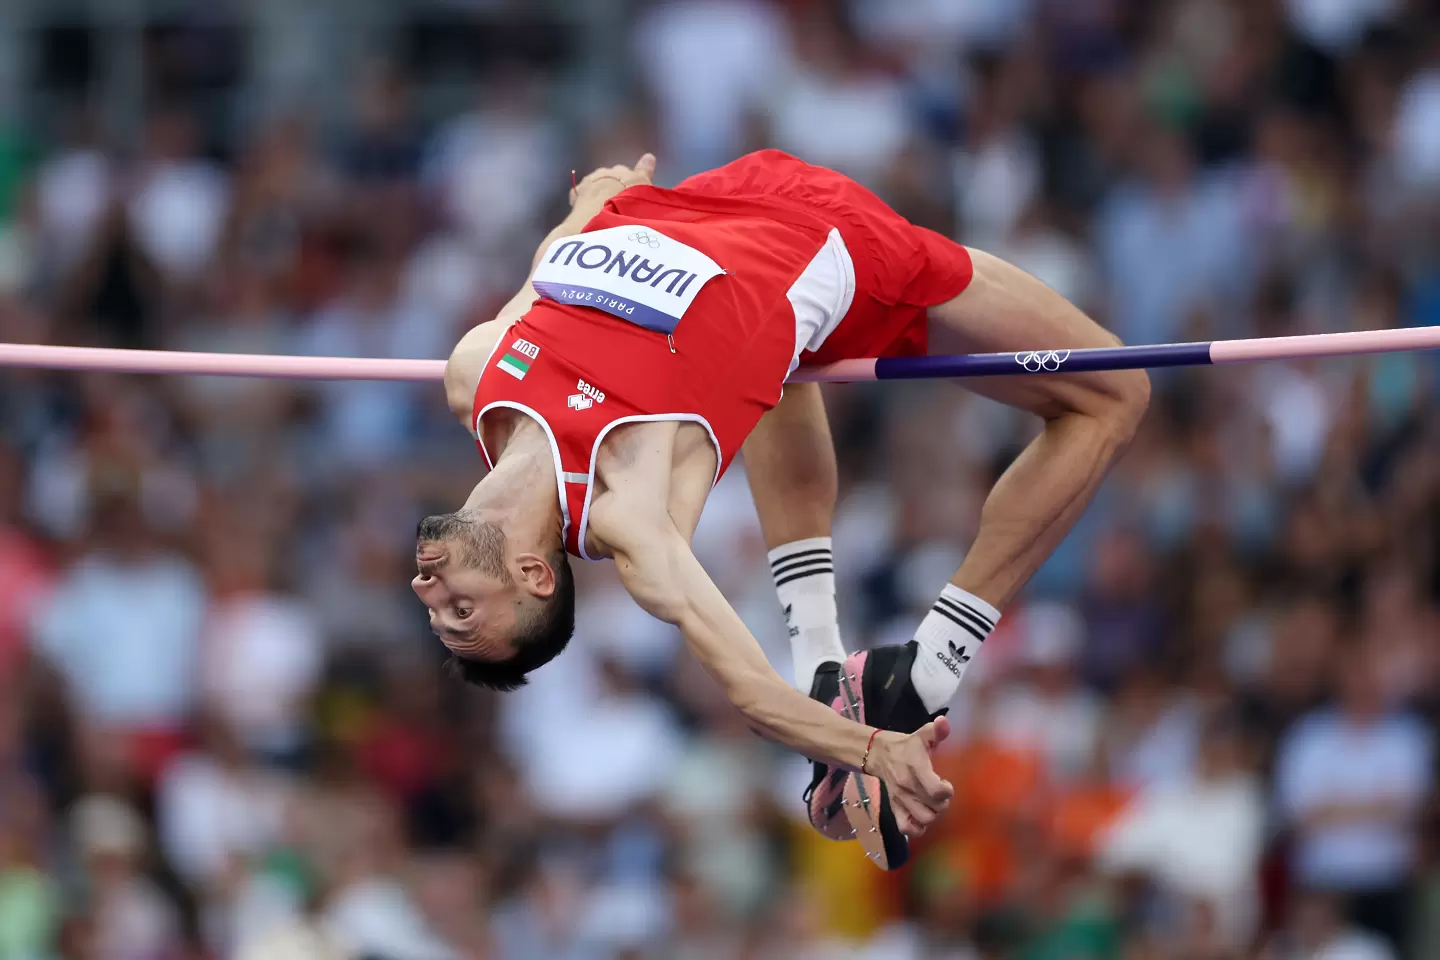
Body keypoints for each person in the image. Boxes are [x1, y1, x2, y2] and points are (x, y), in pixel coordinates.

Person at [415, 150, 1149, 869]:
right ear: (536, 575)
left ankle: (827, 659)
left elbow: (545, 279)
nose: (429, 596)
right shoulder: (626, 510)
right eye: (463, 615)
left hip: (704, 195)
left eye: (440, 615)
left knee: (762, 364)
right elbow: (753, 695)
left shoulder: (473, 372)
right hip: (826, 241)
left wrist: (588, 205)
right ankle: (927, 668)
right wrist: (875, 750)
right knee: (1117, 391)